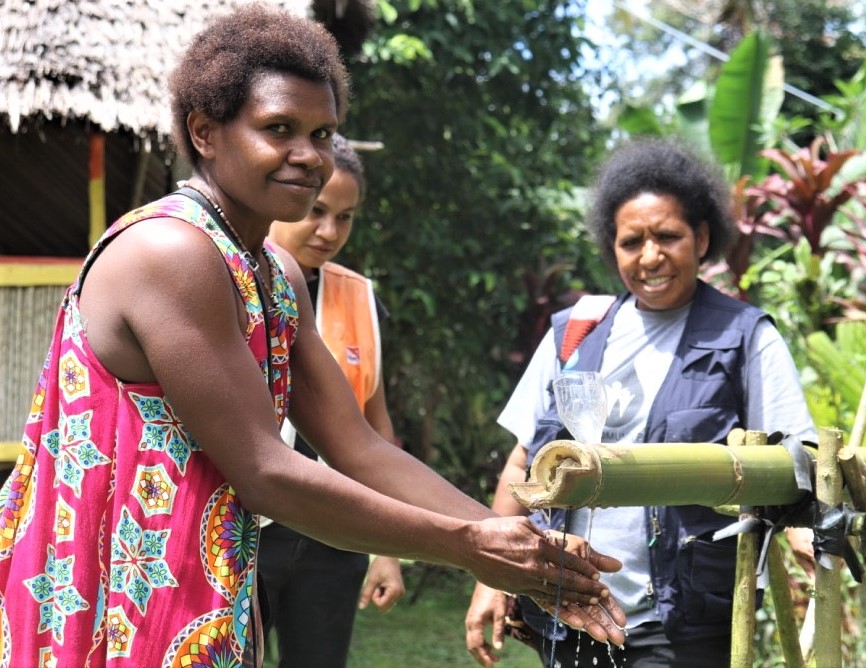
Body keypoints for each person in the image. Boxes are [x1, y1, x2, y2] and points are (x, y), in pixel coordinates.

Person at [0, 5, 627, 667]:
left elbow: (355, 444)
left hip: (194, 603)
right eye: (279, 129)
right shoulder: (169, 252)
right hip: (102, 604)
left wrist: (511, 542)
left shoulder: (275, 275)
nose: (310, 156)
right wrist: (468, 547)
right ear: (205, 132)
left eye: (323, 133)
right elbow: (266, 472)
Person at [465, 138, 817, 668]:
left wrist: (805, 537)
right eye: (632, 242)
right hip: (569, 611)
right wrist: (491, 579)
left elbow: (794, 459)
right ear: (612, 248)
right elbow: (523, 462)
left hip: (683, 621)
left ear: (702, 237)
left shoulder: (746, 338)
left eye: (668, 236)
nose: (650, 256)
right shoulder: (574, 335)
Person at [259, 135, 405, 667]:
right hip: (244, 528)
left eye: (344, 217)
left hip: (332, 535)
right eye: (316, 211)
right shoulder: (227, 278)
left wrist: (386, 548)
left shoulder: (359, 297)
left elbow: (375, 423)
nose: (328, 231)